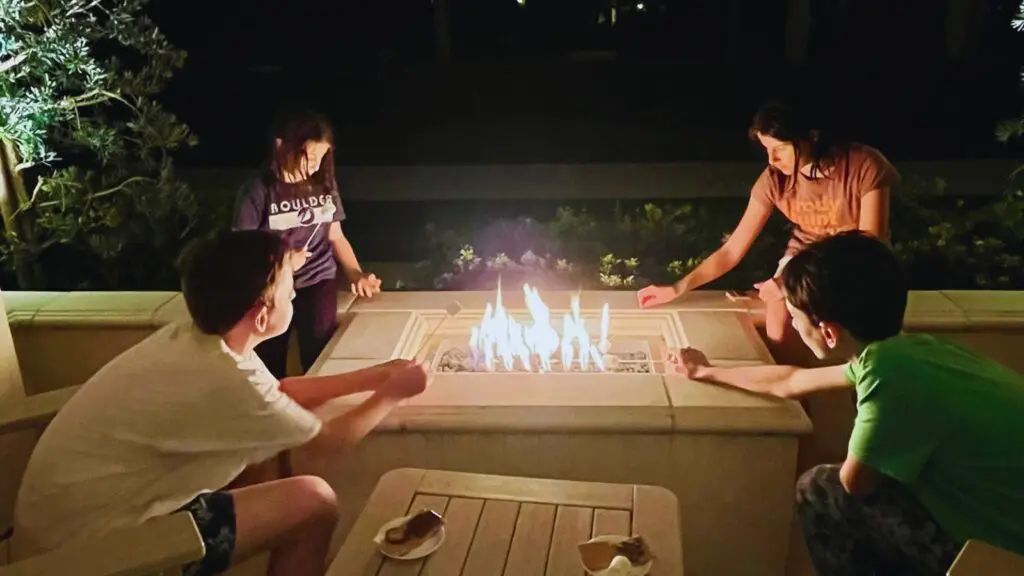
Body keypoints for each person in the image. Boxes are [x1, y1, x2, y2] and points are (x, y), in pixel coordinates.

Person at [13, 230, 428, 576]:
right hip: (92, 555)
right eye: (289, 290)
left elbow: (279, 394)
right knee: (315, 502)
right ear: (261, 315)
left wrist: (373, 375)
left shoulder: (199, 339)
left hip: (56, 529)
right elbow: (326, 442)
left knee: (259, 462)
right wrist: (395, 393)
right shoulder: (226, 378)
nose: (296, 296)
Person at [670, 231, 1024, 575]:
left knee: (822, 492)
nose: (793, 326)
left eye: (794, 318)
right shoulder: (910, 352)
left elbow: (856, 483)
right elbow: (790, 381)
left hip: (1007, 557)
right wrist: (706, 371)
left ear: (828, 331)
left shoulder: (891, 374)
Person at [637, 100, 899, 364]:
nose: (772, 160)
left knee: (851, 324)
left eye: (780, 149)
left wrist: (788, 283)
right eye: (766, 150)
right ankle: (799, 397)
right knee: (779, 325)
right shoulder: (775, 181)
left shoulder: (863, 165)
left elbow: (870, 249)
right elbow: (731, 250)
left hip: (858, 263)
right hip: (803, 257)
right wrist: (678, 287)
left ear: (812, 137)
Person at [234, 109, 381, 379]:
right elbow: (241, 249)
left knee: (319, 350)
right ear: (281, 146)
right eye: (310, 157)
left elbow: (335, 235)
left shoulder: (323, 184)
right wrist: (282, 263)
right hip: (272, 288)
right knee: (269, 357)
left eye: (321, 158)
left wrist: (356, 274)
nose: (315, 167)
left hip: (317, 279)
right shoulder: (257, 191)